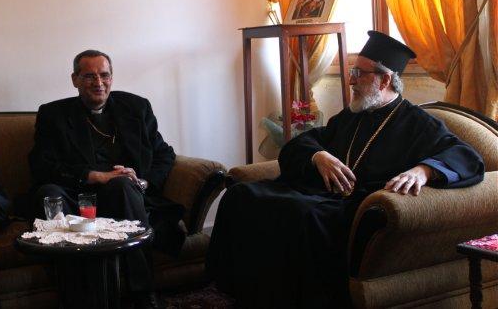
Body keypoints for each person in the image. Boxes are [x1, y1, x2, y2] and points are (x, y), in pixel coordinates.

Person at [206, 31, 484, 308]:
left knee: (303, 215)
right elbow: (304, 142)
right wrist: (318, 156)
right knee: (239, 195)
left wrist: (424, 171)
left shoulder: (419, 123)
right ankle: (241, 289)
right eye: (353, 71)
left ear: (384, 80)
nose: (351, 80)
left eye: (359, 73)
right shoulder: (353, 115)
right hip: (320, 193)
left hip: (356, 204)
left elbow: (468, 157)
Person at [29, 49, 179, 308]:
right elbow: (41, 165)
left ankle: (143, 293)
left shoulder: (136, 108)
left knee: (123, 184)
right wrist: (94, 176)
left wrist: (143, 183)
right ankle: (77, 298)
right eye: (89, 76)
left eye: (104, 75)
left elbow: (164, 154)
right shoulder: (53, 115)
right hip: (77, 195)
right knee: (49, 194)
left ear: (111, 77)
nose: (98, 83)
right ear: (75, 79)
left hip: (123, 197)